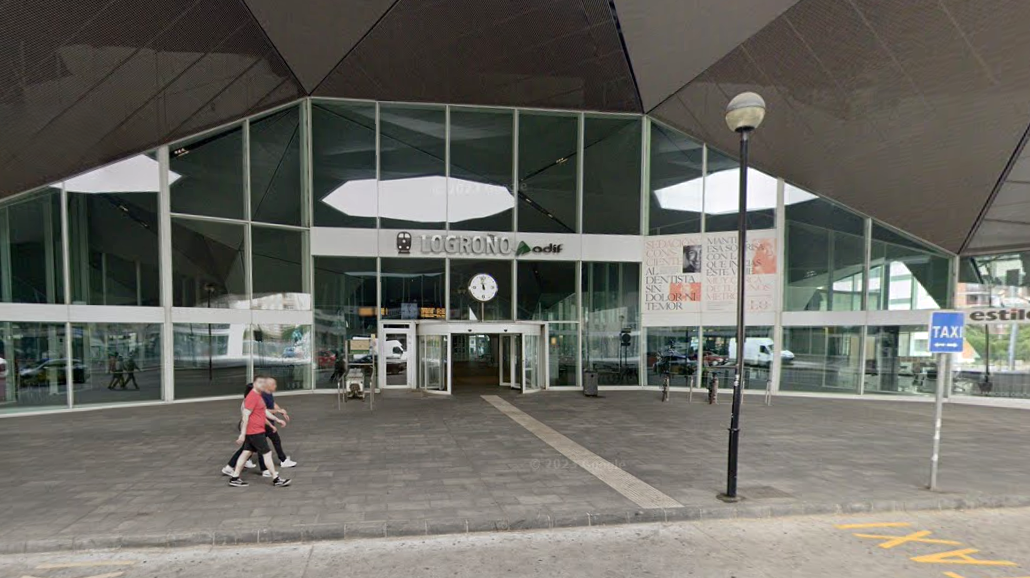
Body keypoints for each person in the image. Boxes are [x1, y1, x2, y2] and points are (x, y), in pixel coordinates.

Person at [227, 377, 291, 487]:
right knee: (267, 453)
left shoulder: (258, 396)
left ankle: (234, 477)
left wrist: (276, 420)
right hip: (255, 432)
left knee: (246, 453)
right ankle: (276, 479)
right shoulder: (252, 397)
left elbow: (263, 412)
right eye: (260, 382)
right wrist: (242, 434)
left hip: (255, 431)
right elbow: (245, 416)